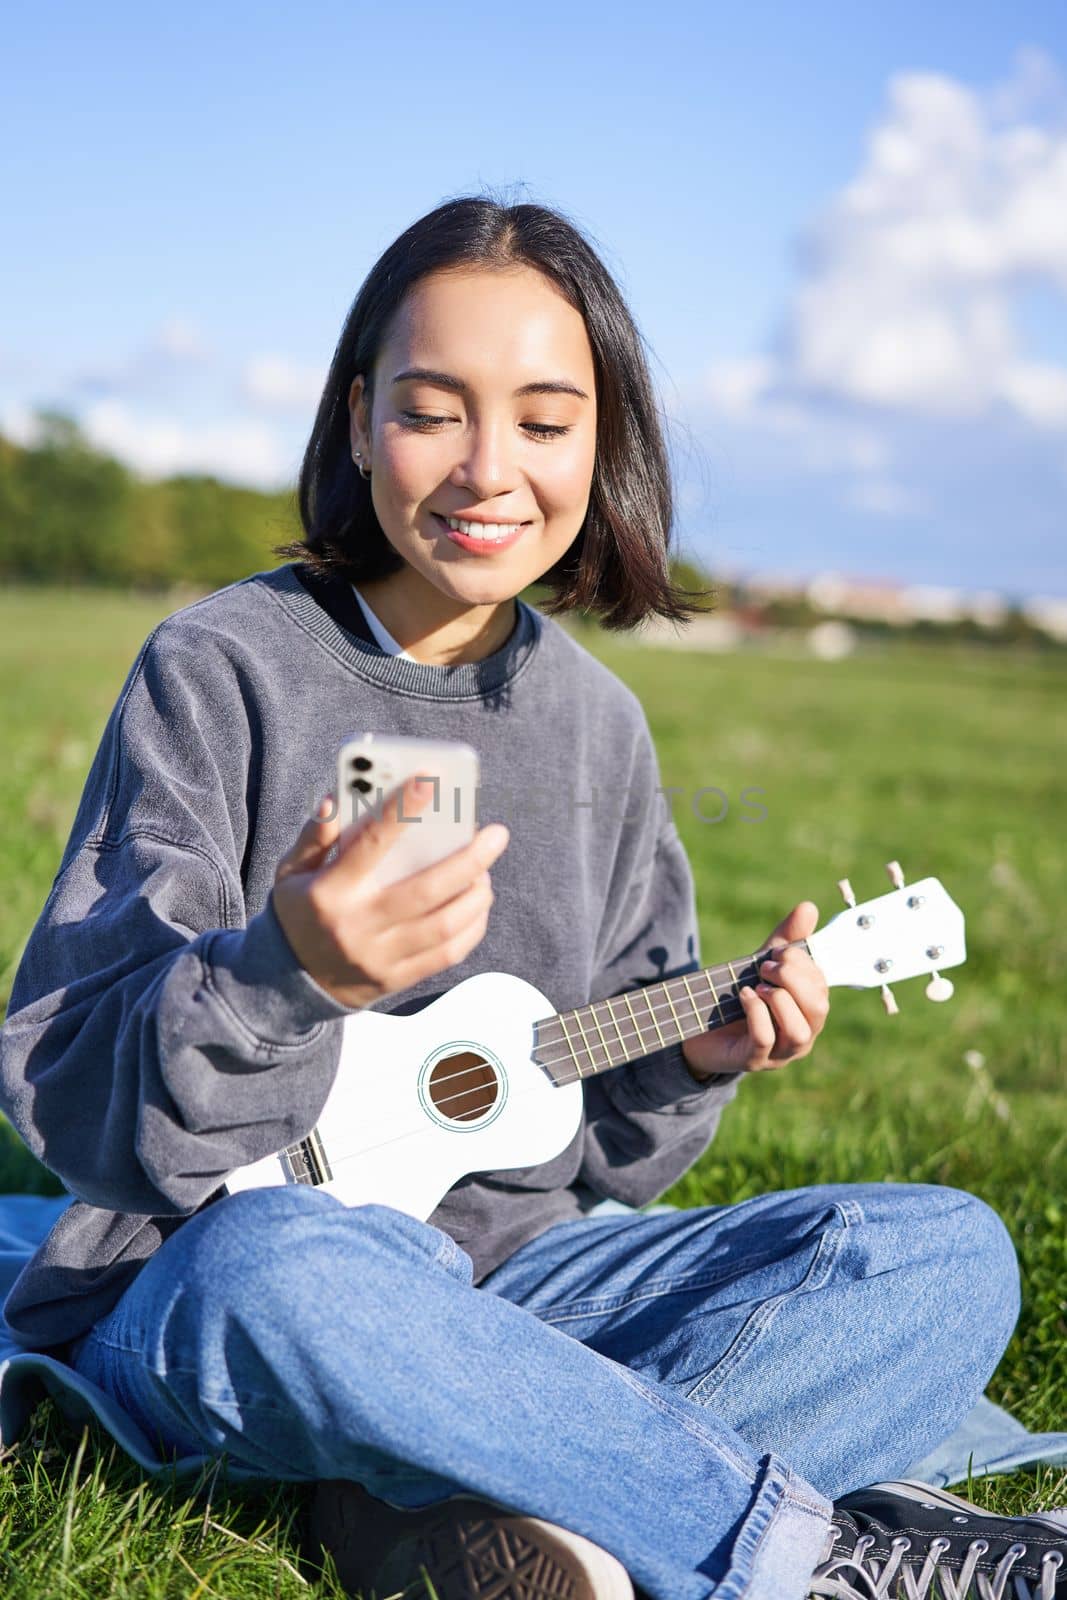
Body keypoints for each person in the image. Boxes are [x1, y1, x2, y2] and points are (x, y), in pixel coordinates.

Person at [1, 194, 1063, 1600]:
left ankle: (432, 1492)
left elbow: (606, 1164)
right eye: (434, 411)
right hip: (228, 1268)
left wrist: (692, 1057)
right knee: (280, 1274)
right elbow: (68, 1097)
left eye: (545, 423)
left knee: (944, 1257)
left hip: (527, 1289)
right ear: (358, 414)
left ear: (601, 445)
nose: (487, 468)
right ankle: (803, 1548)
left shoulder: (600, 724)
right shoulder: (221, 669)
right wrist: (285, 971)